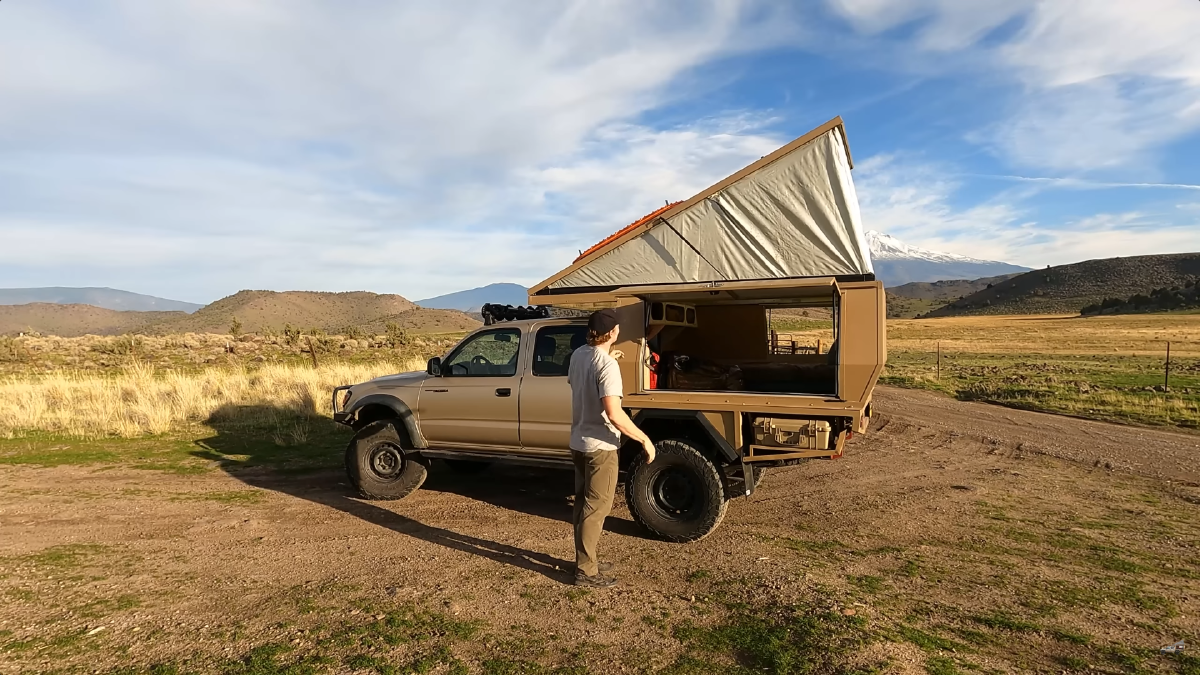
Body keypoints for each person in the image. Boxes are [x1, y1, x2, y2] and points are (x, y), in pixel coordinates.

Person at [567, 308, 656, 588]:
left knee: (583, 504)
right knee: (596, 509)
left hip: (578, 443)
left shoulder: (579, 355)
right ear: (614, 332)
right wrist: (643, 438)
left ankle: (586, 559)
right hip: (600, 447)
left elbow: (579, 380)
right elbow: (615, 414)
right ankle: (586, 572)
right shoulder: (607, 367)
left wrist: (608, 359)